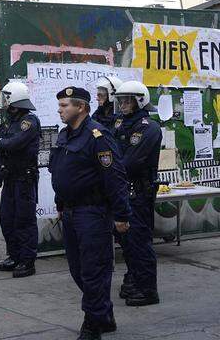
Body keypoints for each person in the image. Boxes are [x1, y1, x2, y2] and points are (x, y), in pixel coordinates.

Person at [49, 87, 131, 340]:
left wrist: (121, 214)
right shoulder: (66, 135)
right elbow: (61, 172)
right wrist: (60, 204)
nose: (60, 110)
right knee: (77, 269)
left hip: (92, 212)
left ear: (81, 107)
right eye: (60, 105)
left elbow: (115, 178)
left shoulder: (98, 136)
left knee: (94, 270)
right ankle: (104, 315)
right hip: (71, 212)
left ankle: (92, 324)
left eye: (65, 106)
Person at [112, 81, 162, 307]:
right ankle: (134, 279)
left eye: (127, 100)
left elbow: (130, 162)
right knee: (127, 241)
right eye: (121, 100)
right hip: (123, 189)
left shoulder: (148, 127)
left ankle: (148, 289)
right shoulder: (121, 123)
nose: (123, 104)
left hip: (138, 191)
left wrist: (108, 171)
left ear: (140, 100)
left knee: (140, 241)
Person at [0, 82, 40, 278]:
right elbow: (1, 142)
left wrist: (0, 143)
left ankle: (27, 261)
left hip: (24, 178)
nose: (4, 102)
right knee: (6, 219)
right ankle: (14, 255)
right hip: (11, 177)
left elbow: (13, 143)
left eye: (7, 97)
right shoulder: (9, 121)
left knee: (24, 220)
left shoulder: (29, 121)